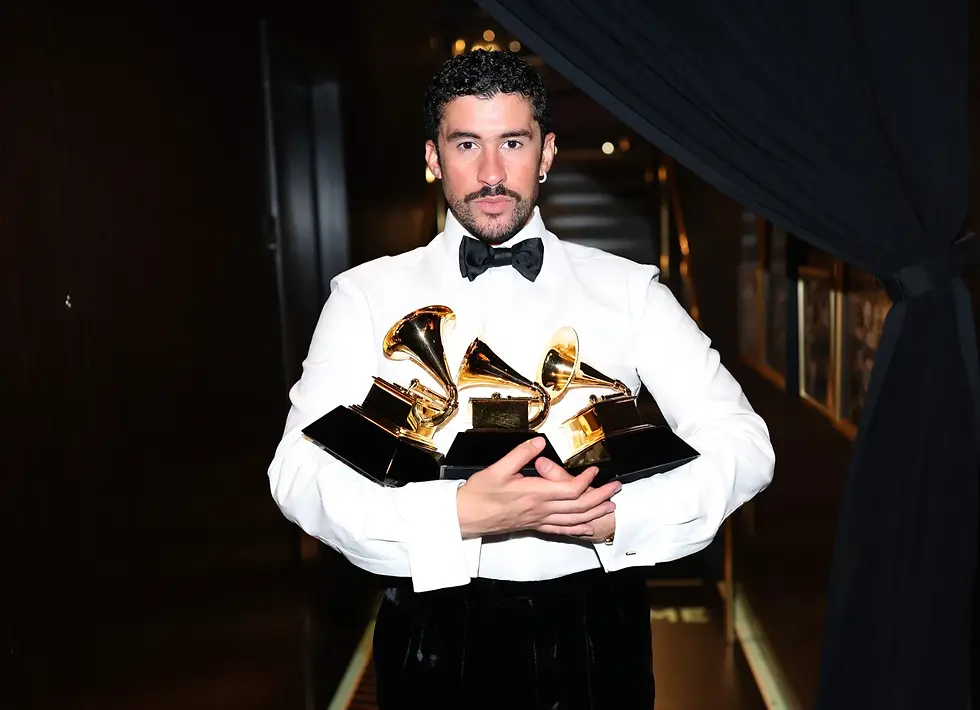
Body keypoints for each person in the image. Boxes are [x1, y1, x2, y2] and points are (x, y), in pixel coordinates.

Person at [268, 48, 775, 710]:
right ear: (432, 158)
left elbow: (744, 443)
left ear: (547, 153)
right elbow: (297, 474)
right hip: (431, 631)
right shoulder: (365, 296)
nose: (490, 172)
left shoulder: (630, 292)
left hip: (601, 629)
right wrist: (455, 515)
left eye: (512, 142)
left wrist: (617, 516)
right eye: (466, 144)